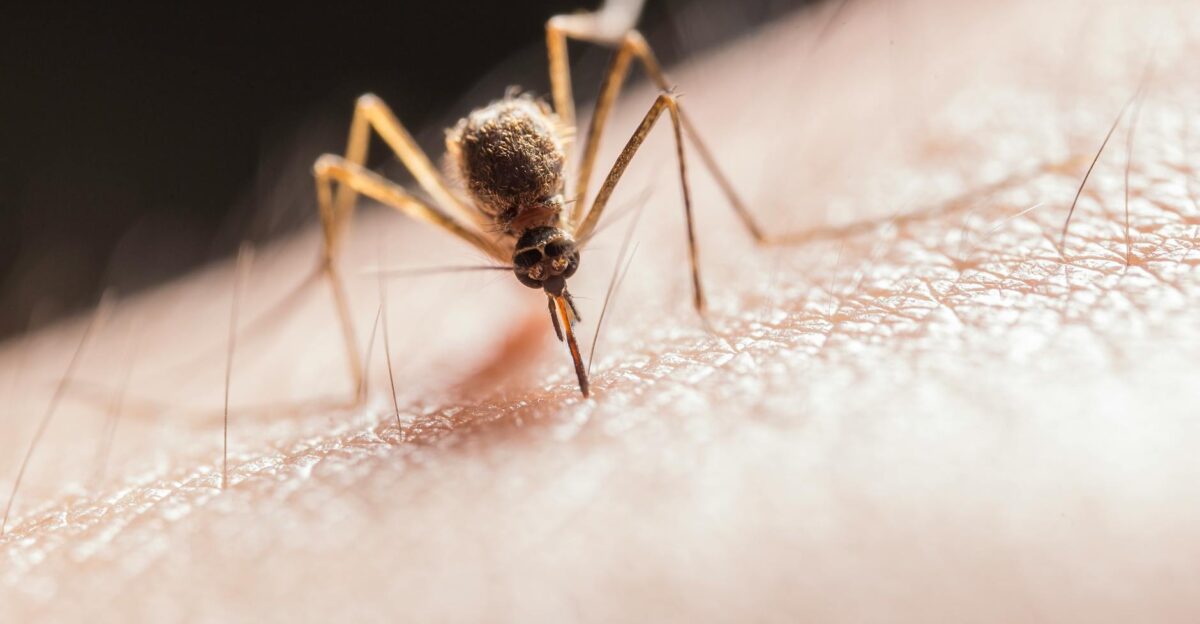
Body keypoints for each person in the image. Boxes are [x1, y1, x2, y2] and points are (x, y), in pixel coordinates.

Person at [1, 0, 1197, 620]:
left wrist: (726, 269)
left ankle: (769, 242)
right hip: (500, 165)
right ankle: (336, 372)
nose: (556, 285)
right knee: (349, 153)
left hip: (538, 156)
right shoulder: (496, 220)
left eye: (552, 267)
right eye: (546, 268)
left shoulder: (563, 201)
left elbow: (649, 91)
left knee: (647, 98)